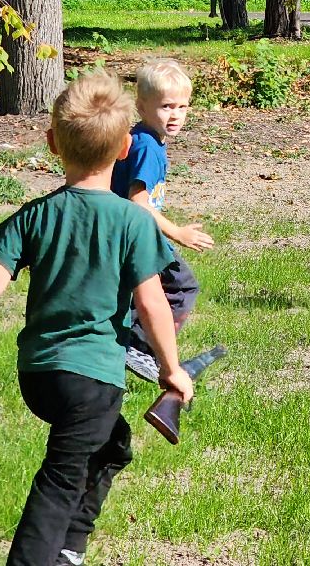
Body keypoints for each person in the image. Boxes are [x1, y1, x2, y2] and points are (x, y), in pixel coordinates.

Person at [0, 71, 193, 566]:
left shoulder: (36, 214)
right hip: (91, 379)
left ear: (52, 143)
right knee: (61, 478)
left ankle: (69, 550)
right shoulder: (132, 220)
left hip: (39, 376)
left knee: (112, 446)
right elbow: (154, 302)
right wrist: (171, 368)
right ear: (123, 150)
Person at [111, 58, 213, 381]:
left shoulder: (144, 139)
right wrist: (177, 233)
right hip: (137, 234)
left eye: (182, 107)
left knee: (131, 291)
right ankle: (141, 346)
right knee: (182, 286)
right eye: (167, 106)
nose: (176, 115)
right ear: (142, 107)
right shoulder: (146, 148)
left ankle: (130, 340)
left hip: (128, 234)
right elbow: (138, 204)